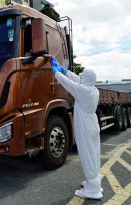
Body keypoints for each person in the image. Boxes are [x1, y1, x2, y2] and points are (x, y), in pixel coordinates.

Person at [51, 58, 103, 200]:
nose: (79, 77)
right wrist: (64, 70)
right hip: (93, 125)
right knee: (94, 154)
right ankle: (94, 180)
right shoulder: (93, 89)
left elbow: (69, 84)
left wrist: (57, 73)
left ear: (85, 79)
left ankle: (92, 189)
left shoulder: (82, 90)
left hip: (85, 127)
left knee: (87, 155)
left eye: (82, 76)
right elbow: (76, 80)